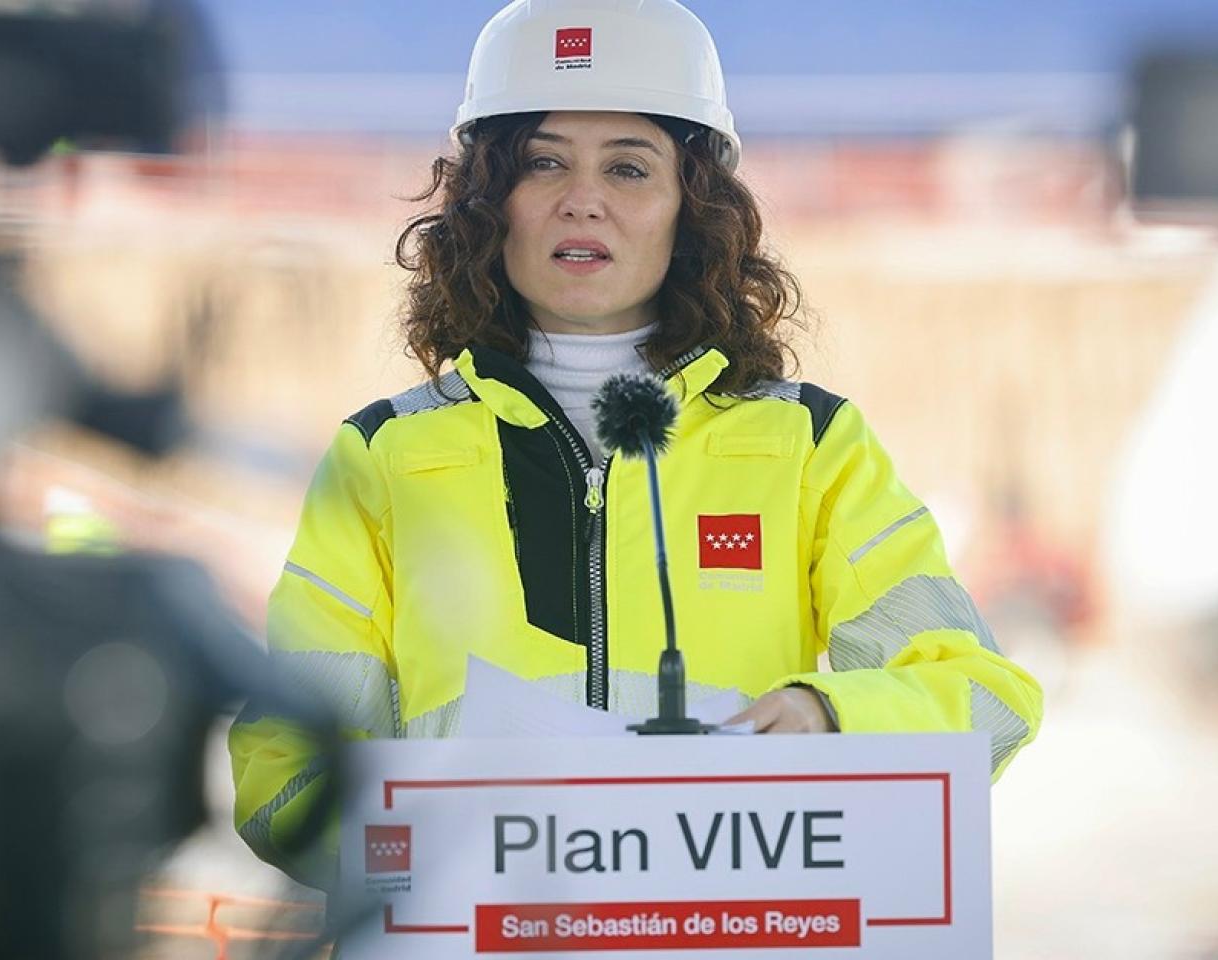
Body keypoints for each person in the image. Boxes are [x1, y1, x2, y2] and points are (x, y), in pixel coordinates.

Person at [229, 0, 1042, 888]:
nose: (584, 201)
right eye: (543, 163)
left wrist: (831, 718)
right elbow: (283, 778)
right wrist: (446, 853)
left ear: (691, 210)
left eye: (629, 167)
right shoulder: (381, 459)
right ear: (488, 202)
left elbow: (986, 699)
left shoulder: (809, 447)